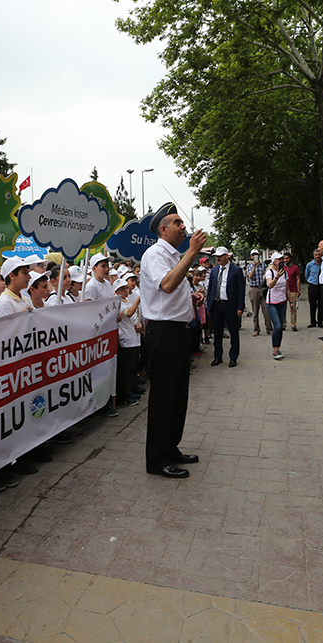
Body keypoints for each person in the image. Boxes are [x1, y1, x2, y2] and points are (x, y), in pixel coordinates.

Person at [139, 203, 207, 479]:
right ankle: (156, 459)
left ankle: (170, 447)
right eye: (177, 222)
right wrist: (192, 252)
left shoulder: (173, 256)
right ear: (163, 229)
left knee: (178, 395)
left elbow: (171, 290)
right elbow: (166, 284)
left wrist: (190, 297)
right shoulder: (155, 254)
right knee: (164, 397)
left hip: (178, 331)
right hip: (163, 333)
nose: (183, 227)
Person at [206, 246, 245, 368]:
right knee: (217, 332)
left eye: (220, 256)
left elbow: (241, 290)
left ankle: (233, 357)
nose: (217, 259)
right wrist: (209, 307)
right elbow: (211, 289)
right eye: (216, 257)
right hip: (217, 305)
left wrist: (240, 307)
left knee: (233, 331)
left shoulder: (236, 270)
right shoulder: (214, 271)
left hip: (230, 305)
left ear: (226, 256)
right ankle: (218, 356)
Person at [113, 278, 142, 407]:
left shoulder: (126, 301)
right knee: (127, 368)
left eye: (126, 288)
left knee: (133, 366)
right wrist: (139, 299)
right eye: (122, 289)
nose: (126, 291)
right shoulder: (119, 303)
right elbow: (129, 313)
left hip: (134, 337)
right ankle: (126, 393)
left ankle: (131, 389)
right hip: (126, 340)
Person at [265, 252, 289, 360]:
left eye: (282, 259)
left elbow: (287, 288)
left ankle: (278, 348)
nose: (281, 261)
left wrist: (292, 302)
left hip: (282, 302)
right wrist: (276, 277)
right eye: (279, 259)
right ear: (274, 261)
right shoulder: (270, 272)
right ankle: (275, 350)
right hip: (272, 303)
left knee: (280, 328)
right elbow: (270, 285)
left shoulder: (284, 273)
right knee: (277, 326)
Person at [245, 249, 272, 336]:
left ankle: (269, 328)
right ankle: (256, 328)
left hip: (263, 288)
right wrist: (254, 266)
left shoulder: (264, 266)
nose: (255, 256)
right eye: (253, 255)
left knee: (266, 310)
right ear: (251, 256)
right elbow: (250, 277)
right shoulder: (249, 266)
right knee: (255, 310)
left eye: (256, 254)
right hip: (254, 289)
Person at [304, 248, 323, 328]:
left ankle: (320, 322)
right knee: (312, 305)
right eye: (316, 255)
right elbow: (306, 275)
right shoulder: (310, 265)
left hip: (321, 286)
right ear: (313, 256)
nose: (318, 256)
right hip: (312, 286)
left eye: (319, 254)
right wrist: (310, 281)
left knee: (321, 305)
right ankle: (312, 322)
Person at [283, 253, 301, 331]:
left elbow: (298, 279)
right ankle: (283, 324)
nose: (286, 260)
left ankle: (293, 325)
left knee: (293, 308)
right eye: (284, 259)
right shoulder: (282, 267)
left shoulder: (295, 268)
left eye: (287, 258)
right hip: (283, 290)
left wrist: (298, 290)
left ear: (290, 258)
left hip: (292, 290)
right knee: (283, 308)